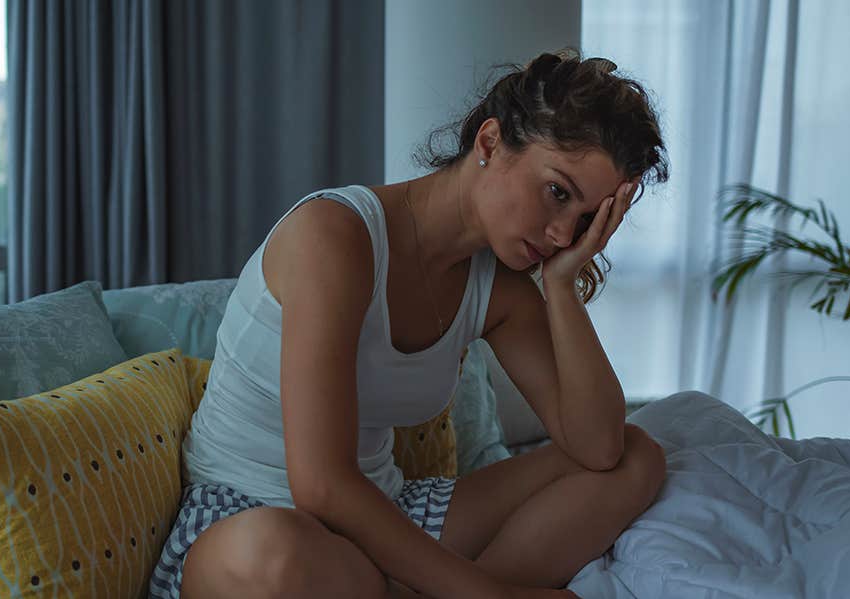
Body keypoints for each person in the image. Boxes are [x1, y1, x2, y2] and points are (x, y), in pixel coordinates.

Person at [149, 48, 670, 599]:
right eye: (557, 193)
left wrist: (562, 286)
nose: (564, 233)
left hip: (385, 516)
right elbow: (321, 487)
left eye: (586, 218)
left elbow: (599, 448)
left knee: (636, 458)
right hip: (248, 520)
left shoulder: (501, 289)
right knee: (273, 556)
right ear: (490, 143)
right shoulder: (335, 236)